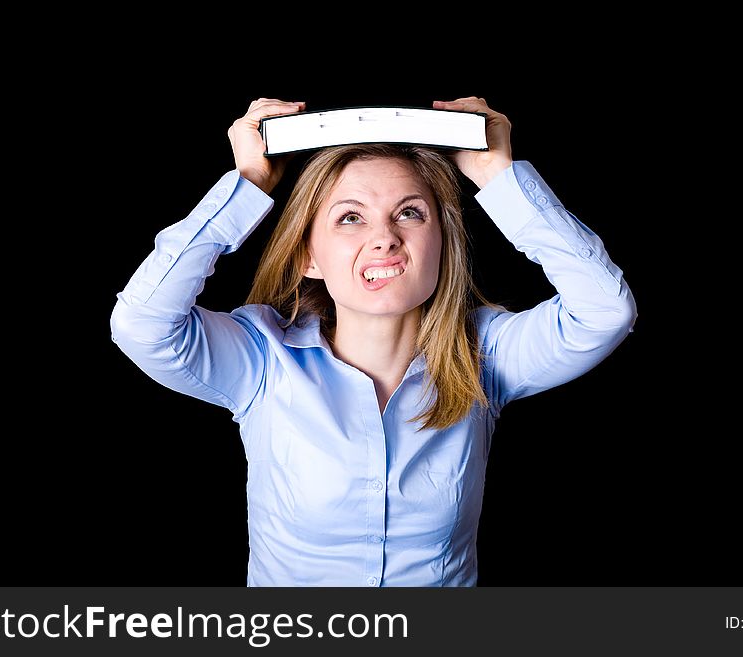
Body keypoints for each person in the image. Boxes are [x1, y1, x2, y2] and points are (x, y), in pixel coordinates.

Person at [110, 96, 637, 586]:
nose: (384, 237)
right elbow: (143, 324)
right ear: (308, 258)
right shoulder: (260, 360)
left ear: (441, 246)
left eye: (410, 212)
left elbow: (605, 311)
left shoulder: (486, 357)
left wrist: (497, 177)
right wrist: (248, 182)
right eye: (350, 218)